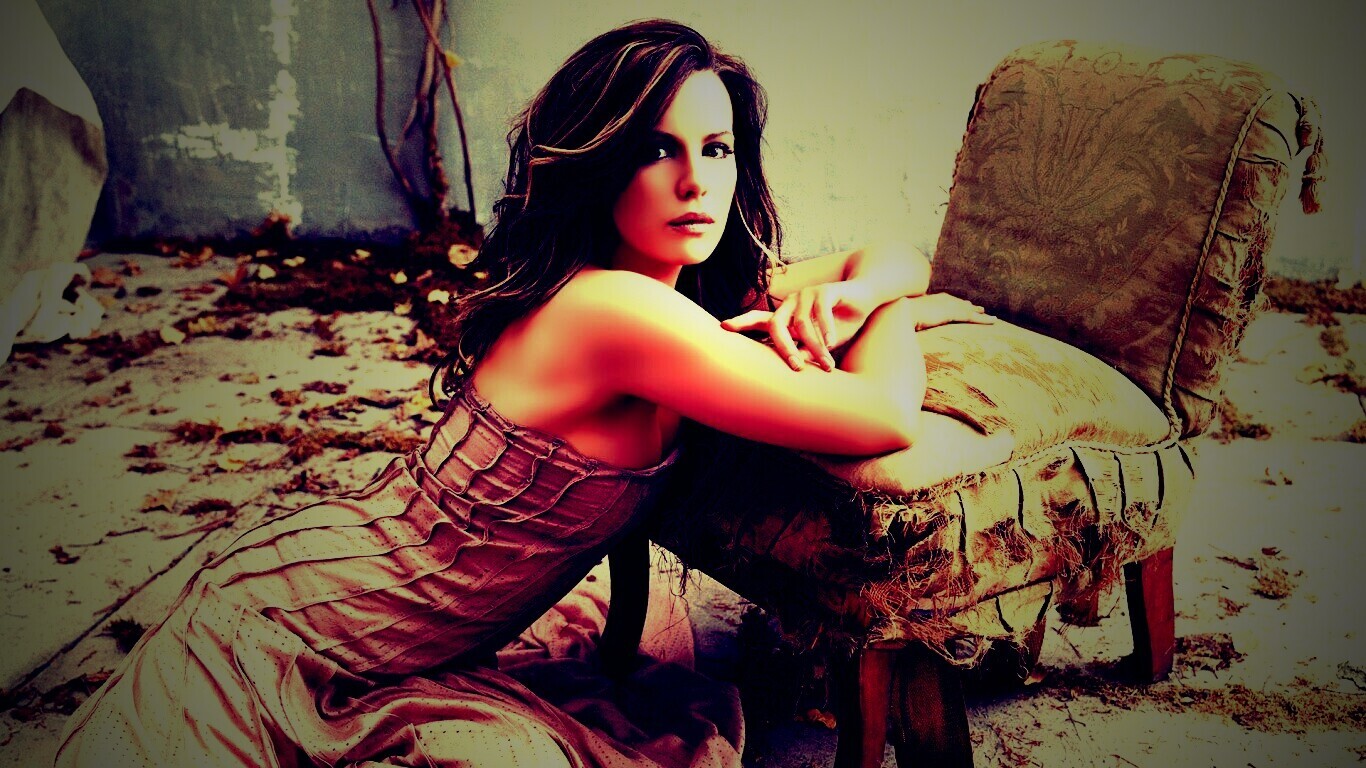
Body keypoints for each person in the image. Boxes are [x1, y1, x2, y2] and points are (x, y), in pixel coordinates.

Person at [54, 19, 990, 768]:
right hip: (292, 628)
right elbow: (882, 416)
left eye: (717, 149)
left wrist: (857, 293)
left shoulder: (672, 296)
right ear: (598, 163)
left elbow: (896, 254)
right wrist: (882, 314)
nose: (695, 183)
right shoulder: (619, 312)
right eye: (656, 150)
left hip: (363, 614)